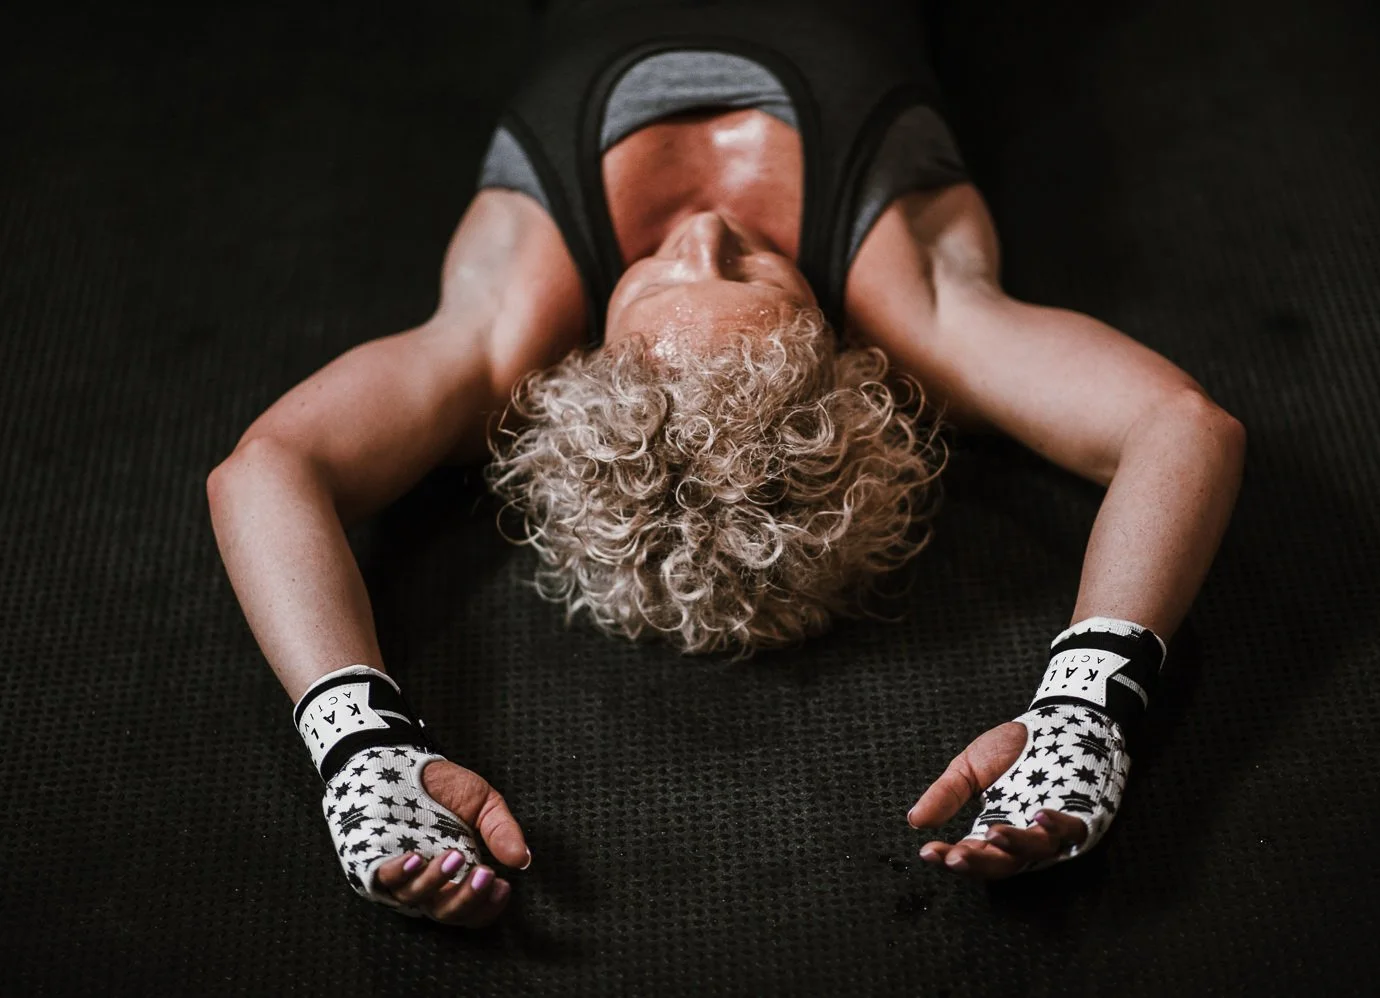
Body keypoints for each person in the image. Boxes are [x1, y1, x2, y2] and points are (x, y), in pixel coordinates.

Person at [206, 0, 1245, 929]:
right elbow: (1181, 424)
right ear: (841, 350)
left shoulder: (505, 330)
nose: (703, 232)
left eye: (653, 282)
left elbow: (265, 468)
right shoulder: (914, 307)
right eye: (759, 270)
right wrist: (1087, 704)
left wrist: (359, 741)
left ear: (590, 363)